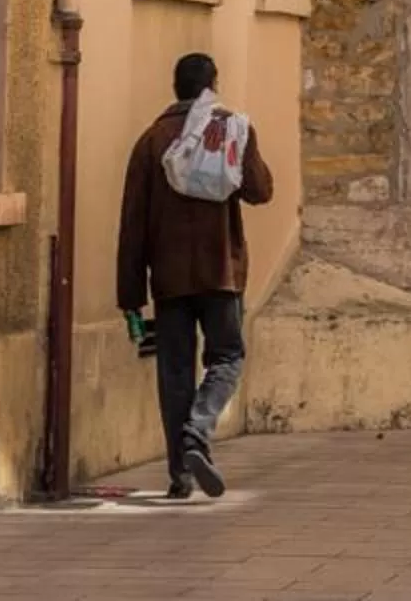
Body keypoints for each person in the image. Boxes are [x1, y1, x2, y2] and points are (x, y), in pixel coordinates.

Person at [117, 53, 274, 501]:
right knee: (226, 358)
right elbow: (260, 190)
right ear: (212, 86)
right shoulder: (229, 130)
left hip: (168, 280)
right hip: (221, 273)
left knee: (175, 373)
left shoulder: (151, 142)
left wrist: (129, 295)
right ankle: (198, 430)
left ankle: (179, 475)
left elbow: (133, 223)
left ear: (175, 87)